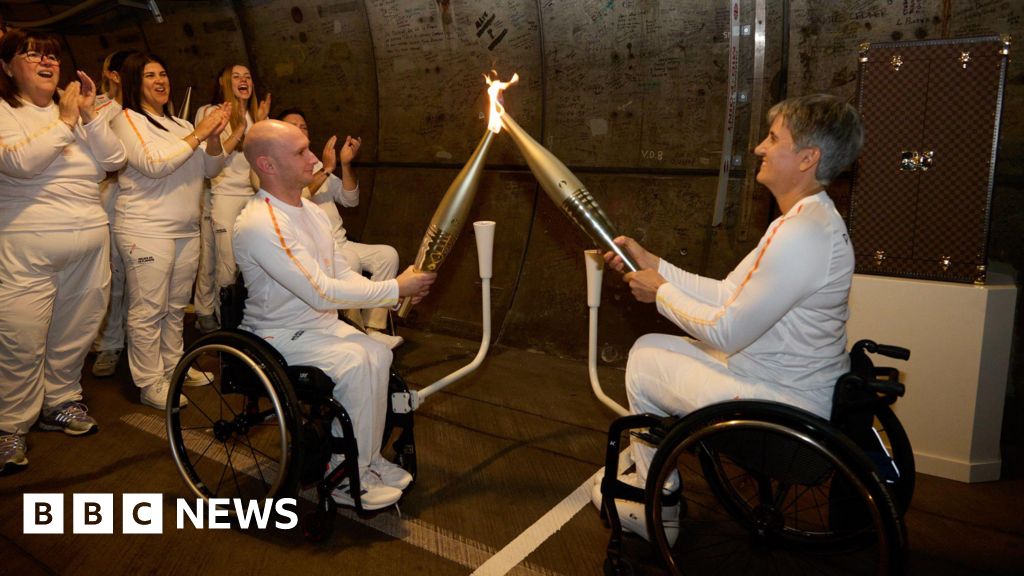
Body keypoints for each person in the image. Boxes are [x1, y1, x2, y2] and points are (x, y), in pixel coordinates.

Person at [594, 94, 863, 543]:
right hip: (781, 385)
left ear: (807, 158)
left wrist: (658, 293)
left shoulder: (802, 233)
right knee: (655, 349)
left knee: (644, 357)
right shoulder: (801, 221)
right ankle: (656, 485)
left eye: (774, 138)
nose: (759, 147)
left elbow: (727, 329)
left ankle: (661, 503)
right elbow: (726, 294)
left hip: (783, 410)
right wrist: (655, 263)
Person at [233, 120, 435, 510]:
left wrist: (393, 294)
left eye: (308, 148)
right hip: (276, 336)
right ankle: (342, 473)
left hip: (317, 327)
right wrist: (396, 288)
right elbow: (321, 290)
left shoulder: (311, 211)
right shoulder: (260, 222)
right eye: (300, 152)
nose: (313, 159)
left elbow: (340, 273)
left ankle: (368, 460)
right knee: (358, 361)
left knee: (378, 354)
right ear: (267, 165)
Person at [0, 29, 126, 473]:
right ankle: (9, 424)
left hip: (90, 241)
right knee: (21, 337)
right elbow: (18, 162)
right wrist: (67, 122)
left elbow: (114, 159)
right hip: (25, 244)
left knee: (76, 330)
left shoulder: (73, 112)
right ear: (6, 67)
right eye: (30, 54)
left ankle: (61, 401)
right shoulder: (6, 111)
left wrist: (90, 116)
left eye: (50, 55)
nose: (44, 61)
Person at [111, 52, 230, 410]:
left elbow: (211, 169)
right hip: (145, 229)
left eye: (163, 74)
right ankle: (150, 382)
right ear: (135, 83)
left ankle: (172, 368)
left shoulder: (179, 125)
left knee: (175, 307)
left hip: (185, 230)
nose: (160, 81)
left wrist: (212, 137)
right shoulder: (126, 119)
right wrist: (200, 133)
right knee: (148, 309)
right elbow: (153, 164)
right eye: (150, 76)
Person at [278, 108, 403, 349]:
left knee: (388, 255)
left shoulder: (313, 161)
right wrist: (326, 169)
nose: (300, 129)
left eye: (304, 126)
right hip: (318, 249)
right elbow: (295, 197)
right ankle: (355, 334)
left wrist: (345, 165)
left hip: (342, 242)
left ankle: (374, 328)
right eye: (293, 125)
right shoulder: (282, 164)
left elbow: (350, 199)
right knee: (349, 262)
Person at [192, 64, 270, 333]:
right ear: (224, 82)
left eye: (248, 76)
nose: (243, 80)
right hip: (221, 193)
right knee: (221, 261)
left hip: (250, 196)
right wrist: (238, 128)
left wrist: (259, 124)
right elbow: (211, 157)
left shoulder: (255, 115)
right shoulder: (210, 112)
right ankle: (217, 320)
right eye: (236, 76)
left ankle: (222, 313)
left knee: (239, 261)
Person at [91, 49, 138, 378]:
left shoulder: (140, 110)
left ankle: (136, 344)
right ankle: (107, 344)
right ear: (112, 74)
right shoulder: (97, 107)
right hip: (105, 201)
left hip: (138, 204)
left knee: (136, 280)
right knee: (111, 279)